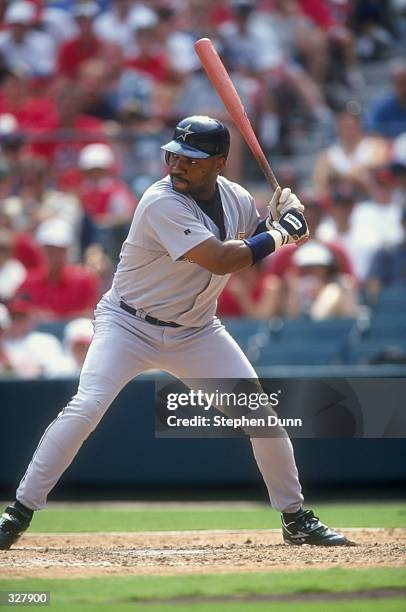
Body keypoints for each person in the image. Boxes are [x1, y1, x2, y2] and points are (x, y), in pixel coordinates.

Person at [0, 116, 352, 549]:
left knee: (261, 418)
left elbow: (249, 242)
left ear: (219, 163)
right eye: (174, 155)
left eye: (192, 159)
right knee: (85, 406)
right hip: (127, 324)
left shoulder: (238, 199)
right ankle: (17, 513)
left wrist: (280, 220)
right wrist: (281, 233)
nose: (177, 165)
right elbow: (222, 258)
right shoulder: (158, 201)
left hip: (197, 332)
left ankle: (295, 517)